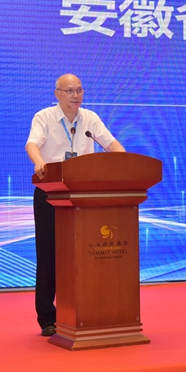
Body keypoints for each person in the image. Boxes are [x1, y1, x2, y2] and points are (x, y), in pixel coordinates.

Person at [25, 74, 125, 336]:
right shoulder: (44, 117)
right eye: (69, 90)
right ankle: (47, 317)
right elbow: (32, 144)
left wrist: (125, 162)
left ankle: (84, 310)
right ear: (57, 93)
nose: (76, 95)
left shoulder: (90, 119)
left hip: (85, 196)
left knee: (85, 255)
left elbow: (111, 144)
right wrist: (39, 162)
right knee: (49, 256)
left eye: (79, 90)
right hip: (50, 193)